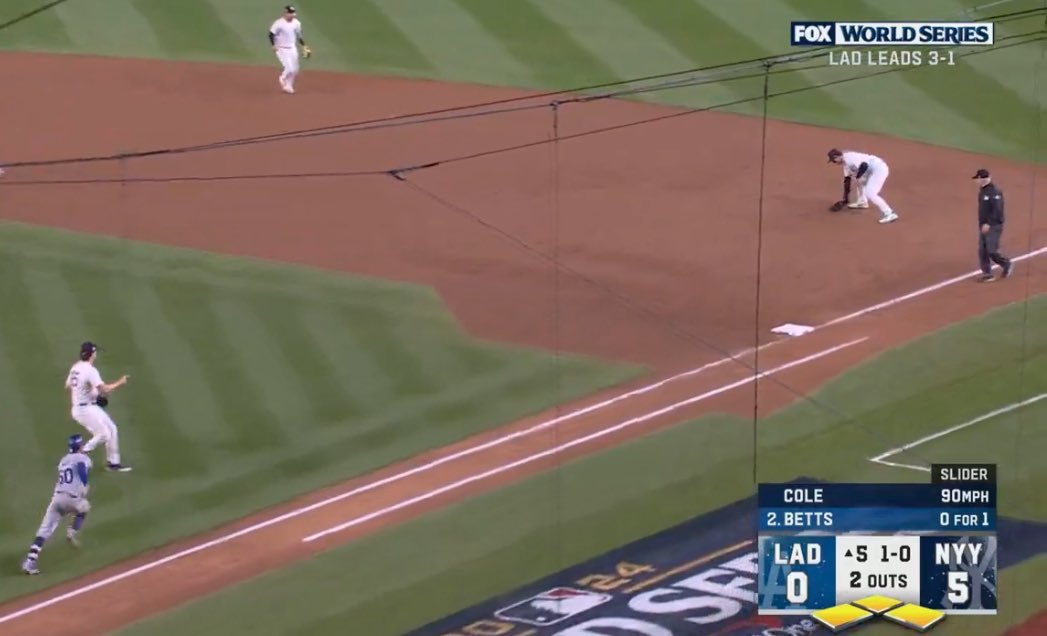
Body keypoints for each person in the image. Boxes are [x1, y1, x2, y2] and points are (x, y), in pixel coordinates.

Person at [22, 434, 93, 575]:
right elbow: (81, 468)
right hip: (72, 499)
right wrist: (85, 484)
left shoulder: (63, 460)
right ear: (80, 446)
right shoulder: (82, 458)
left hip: (57, 499)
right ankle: (72, 532)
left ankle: (30, 561)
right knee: (84, 507)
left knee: (44, 531)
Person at [65, 342, 132, 472]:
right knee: (104, 434)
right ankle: (81, 452)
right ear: (92, 354)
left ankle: (113, 463)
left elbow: (68, 385)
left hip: (87, 406)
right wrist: (120, 382)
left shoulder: (76, 367)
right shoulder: (90, 370)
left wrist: (89, 393)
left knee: (112, 428)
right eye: (95, 352)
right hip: (83, 409)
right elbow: (105, 390)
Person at [827, 148, 899, 224]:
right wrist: (845, 200)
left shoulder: (849, 158)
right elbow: (847, 182)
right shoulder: (845, 165)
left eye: (834, 161)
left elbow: (864, 165)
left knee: (870, 193)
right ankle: (862, 202)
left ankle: (890, 213)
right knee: (859, 179)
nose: (834, 163)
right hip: (869, 170)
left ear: (837, 157)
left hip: (879, 169)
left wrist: (859, 177)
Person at [972, 168, 1013, 282]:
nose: (976, 181)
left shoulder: (994, 192)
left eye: (977, 178)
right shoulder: (983, 191)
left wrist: (989, 223)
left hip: (994, 225)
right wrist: (983, 224)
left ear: (982, 179)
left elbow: (998, 211)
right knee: (982, 250)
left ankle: (1006, 264)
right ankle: (987, 274)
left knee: (991, 250)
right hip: (984, 225)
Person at [269, 5, 311, 94]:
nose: (292, 15)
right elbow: (271, 34)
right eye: (290, 13)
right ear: (285, 13)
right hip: (281, 48)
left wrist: (304, 46)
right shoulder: (279, 23)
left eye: (293, 13)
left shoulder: (297, 23)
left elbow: (299, 36)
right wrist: (273, 45)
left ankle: (289, 86)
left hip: (292, 48)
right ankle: (282, 78)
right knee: (289, 68)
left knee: (295, 69)